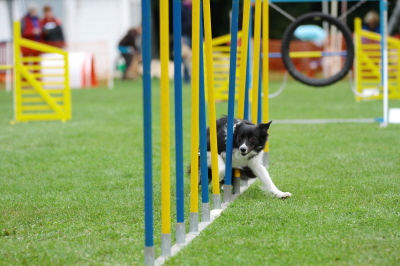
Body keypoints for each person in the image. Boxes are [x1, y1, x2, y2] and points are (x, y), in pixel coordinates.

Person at [181, 0, 192, 84]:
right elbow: (179, 23)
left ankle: (196, 77)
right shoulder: (182, 8)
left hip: (194, 34)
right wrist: (181, 36)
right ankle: (186, 78)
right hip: (184, 35)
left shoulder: (193, 7)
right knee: (186, 59)